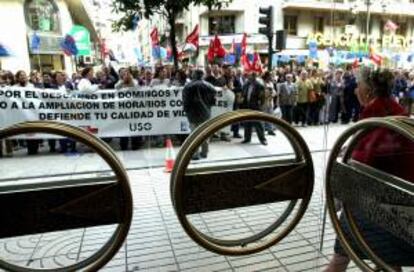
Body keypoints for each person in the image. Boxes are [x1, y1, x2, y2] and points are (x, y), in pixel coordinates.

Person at [324, 68, 414, 272]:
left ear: (368, 92)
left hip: (375, 204)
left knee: (340, 258)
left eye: (358, 86)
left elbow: (366, 162)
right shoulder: (395, 110)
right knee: (389, 262)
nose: (355, 90)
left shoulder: (375, 116)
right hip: (400, 204)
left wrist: (339, 185)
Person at [182, 69, 216, 160]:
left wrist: (186, 110)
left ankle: (195, 154)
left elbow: (185, 101)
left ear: (194, 75)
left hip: (193, 113)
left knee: (194, 134)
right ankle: (205, 152)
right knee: (205, 133)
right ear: (202, 75)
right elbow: (214, 100)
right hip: (206, 113)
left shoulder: (188, 86)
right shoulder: (210, 86)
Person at [240, 72, 267, 145]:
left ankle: (263, 139)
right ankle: (247, 138)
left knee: (258, 123)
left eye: (250, 76)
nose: (249, 77)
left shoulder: (259, 86)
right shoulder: (246, 85)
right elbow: (243, 94)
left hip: (256, 107)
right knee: (247, 123)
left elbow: (262, 98)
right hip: (247, 106)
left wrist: (260, 106)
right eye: (249, 76)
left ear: (254, 77)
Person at [262, 71, 277, 135]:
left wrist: (272, 94)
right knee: (263, 116)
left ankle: (270, 129)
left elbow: (274, 91)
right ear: (266, 76)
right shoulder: (262, 83)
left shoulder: (271, 83)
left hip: (270, 101)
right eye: (269, 76)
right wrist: (267, 92)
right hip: (264, 101)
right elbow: (261, 92)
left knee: (270, 116)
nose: (270, 77)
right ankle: (262, 130)